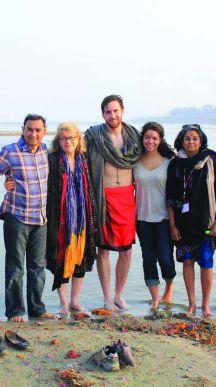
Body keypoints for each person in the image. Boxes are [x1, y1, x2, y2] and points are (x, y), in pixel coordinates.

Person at [0, 114, 56, 322]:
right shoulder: (10, 151)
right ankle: (16, 311)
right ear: (23, 129)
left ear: (44, 132)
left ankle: (37, 309)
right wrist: (4, 181)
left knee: (38, 267)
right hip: (16, 217)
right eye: (29, 129)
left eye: (38, 130)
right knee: (15, 266)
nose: (33, 134)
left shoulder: (47, 152)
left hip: (41, 219)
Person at [84, 95, 141, 311]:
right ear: (102, 114)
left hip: (127, 198)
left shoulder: (135, 136)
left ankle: (118, 294)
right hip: (103, 197)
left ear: (122, 111)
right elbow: (73, 154)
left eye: (115, 111)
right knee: (104, 250)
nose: (112, 115)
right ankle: (107, 296)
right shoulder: (94, 136)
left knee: (126, 251)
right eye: (108, 112)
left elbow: (155, 151)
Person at [166, 124, 216, 317]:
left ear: (201, 141)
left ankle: (206, 305)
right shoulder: (175, 164)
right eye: (187, 138)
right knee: (188, 262)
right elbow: (170, 196)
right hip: (183, 223)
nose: (191, 141)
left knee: (206, 262)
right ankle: (192, 304)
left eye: (194, 138)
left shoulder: (211, 159)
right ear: (181, 141)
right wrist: (172, 225)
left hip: (206, 222)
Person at [45, 122, 98, 315]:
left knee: (81, 259)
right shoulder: (51, 160)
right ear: (58, 141)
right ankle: (63, 303)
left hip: (82, 219)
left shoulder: (85, 160)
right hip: (59, 219)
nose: (68, 141)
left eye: (72, 138)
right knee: (61, 258)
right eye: (64, 138)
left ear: (78, 140)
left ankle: (75, 301)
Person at [133, 122, 176, 311]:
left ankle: (169, 287)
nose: (150, 141)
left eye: (155, 138)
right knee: (148, 257)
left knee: (166, 258)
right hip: (142, 218)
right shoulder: (135, 160)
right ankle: (155, 298)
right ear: (143, 139)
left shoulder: (169, 161)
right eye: (147, 137)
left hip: (165, 218)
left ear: (160, 140)